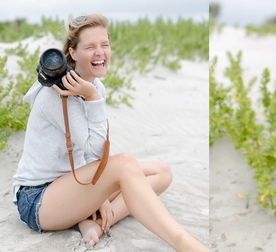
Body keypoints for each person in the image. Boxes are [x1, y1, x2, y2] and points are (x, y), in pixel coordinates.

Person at [12, 14, 207, 251]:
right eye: (90, 47)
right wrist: (92, 99)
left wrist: (101, 197)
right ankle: (182, 241)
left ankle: (97, 220)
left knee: (161, 172)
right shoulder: (57, 93)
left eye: (104, 45)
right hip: (39, 200)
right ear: (72, 53)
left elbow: (92, 155)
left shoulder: (94, 85)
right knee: (124, 164)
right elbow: (95, 148)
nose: (100, 52)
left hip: (73, 184)